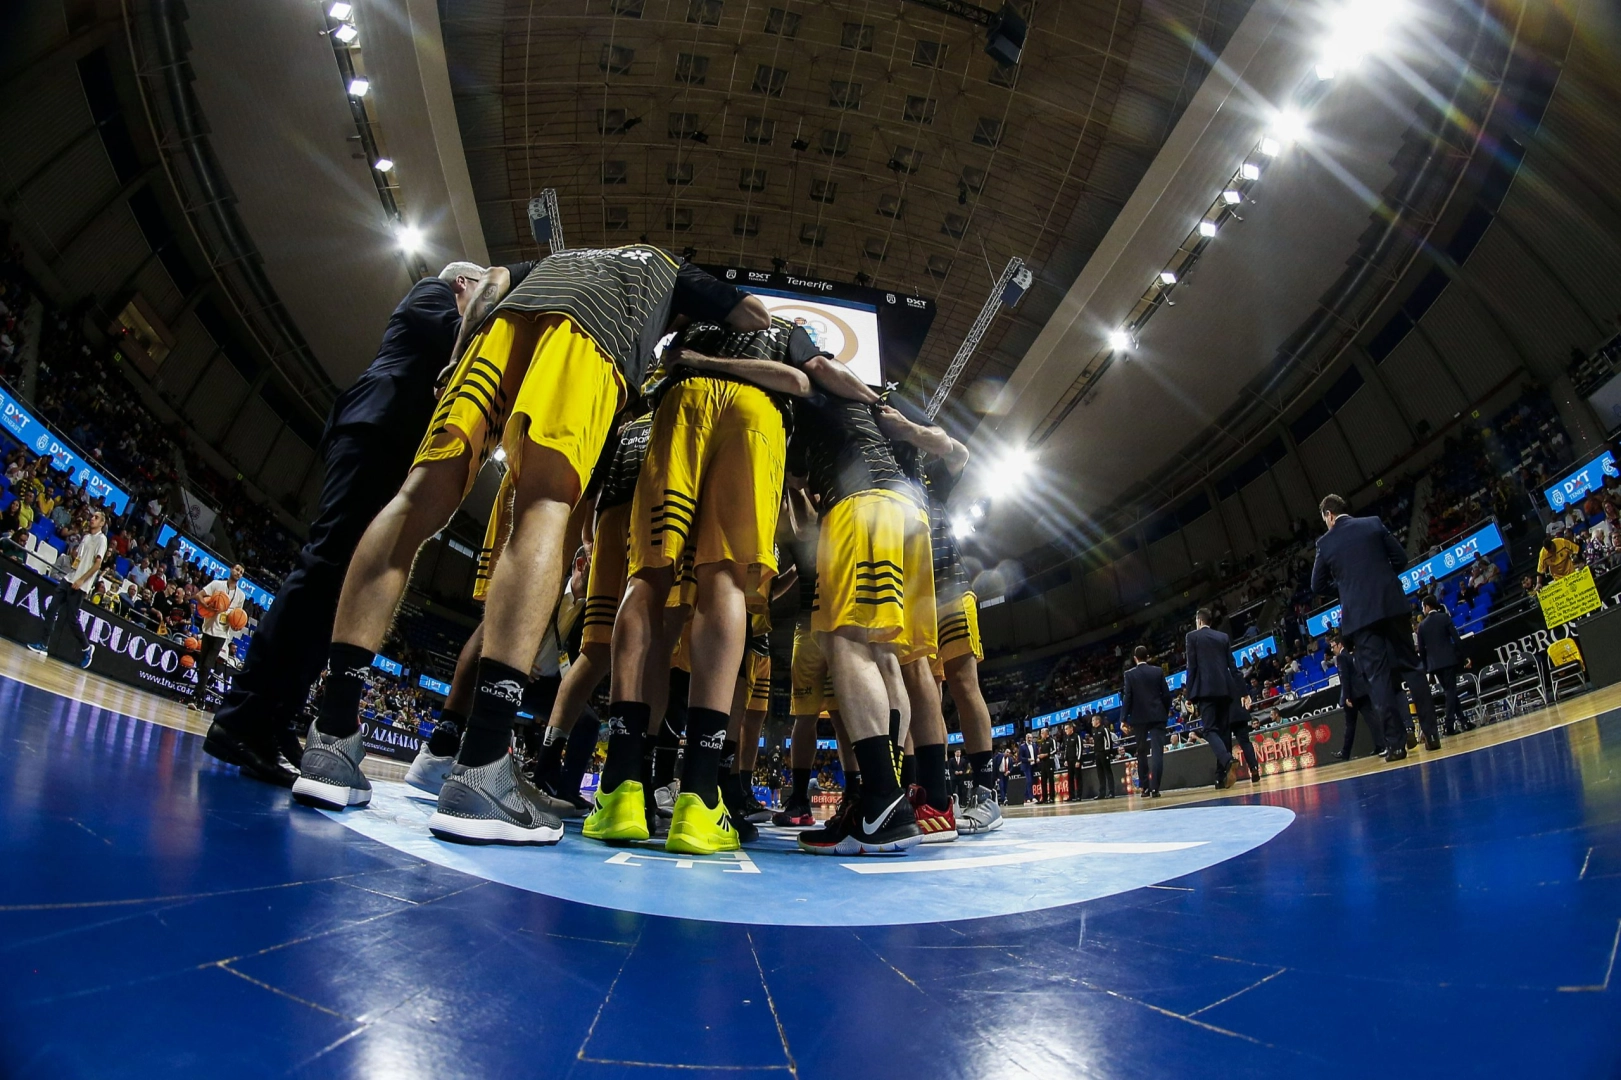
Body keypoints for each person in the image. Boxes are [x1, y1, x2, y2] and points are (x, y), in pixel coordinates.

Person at [293, 247, 763, 847]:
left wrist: (461, 351)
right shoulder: (665, 266)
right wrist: (678, 330)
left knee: (416, 498)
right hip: (589, 337)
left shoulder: (565, 253)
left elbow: (488, 283)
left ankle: (331, 740)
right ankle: (485, 764)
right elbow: (751, 314)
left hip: (503, 325)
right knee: (544, 505)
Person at [204, 262, 511, 785]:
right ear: (464, 284)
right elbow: (471, 338)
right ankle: (243, 719)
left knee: (338, 594)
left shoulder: (445, 308)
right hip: (374, 430)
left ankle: (276, 719)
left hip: (392, 446)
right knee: (323, 570)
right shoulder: (431, 296)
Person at [583, 314, 813, 854]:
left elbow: (656, 364)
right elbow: (803, 383)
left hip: (680, 406)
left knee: (649, 580)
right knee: (725, 584)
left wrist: (700, 362)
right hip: (757, 415)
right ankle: (699, 798)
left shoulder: (693, 326)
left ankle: (620, 789)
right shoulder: (787, 333)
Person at [1310, 494, 1428, 760]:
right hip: (1391, 604)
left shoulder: (1325, 543)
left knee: (1378, 679)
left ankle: (1396, 745)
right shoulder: (1373, 523)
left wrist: (1345, 588)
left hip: (1361, 616)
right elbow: (1400, 559)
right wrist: (1382, 576)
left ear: (1328, 515)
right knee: (1412, 666)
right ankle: (1430, 733)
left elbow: (1316, 586)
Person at [27, 510, 105, 668]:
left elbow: (97, 565)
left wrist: (81, 580)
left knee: (71, 619)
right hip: (69, 579)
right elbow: (79, 560)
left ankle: (87, 647)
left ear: (102, 523)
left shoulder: (102, 540)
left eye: (96, 518)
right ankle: (43, 644)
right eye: (92, 516)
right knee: (51, 608)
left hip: (80, 584)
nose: (92, 519)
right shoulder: (86, 537)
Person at [1185, 607, 1237, 788]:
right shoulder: (1223, 637)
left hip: (1206, 691)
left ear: (1199, 621)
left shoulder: (1192, 637)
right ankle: (1220, 778)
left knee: (1209, 730)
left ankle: (1227, 759)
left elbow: (1191, 668)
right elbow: (1232, 665)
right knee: (1223, 732)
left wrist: (1189, 695)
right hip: (1225, 690)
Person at [190, 565, 247, 712]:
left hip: (222, 634)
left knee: (207, 665)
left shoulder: (241, 596)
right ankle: (201, 698)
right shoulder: (217, 584)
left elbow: (237, 616)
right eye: (237, 570)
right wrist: (207, 606)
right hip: (208, 629)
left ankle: (195, 697)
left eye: (241, 572)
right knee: (202, 665)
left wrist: (236, 625)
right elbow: (198, 596)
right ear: (231, 570)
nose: (238, 573)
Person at [1417, 594, 1474, 735]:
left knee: (1450, 692)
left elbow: (1421, 650)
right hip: (1448, 660)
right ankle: (1449, 725)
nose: (1422, 610)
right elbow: (1456, 638)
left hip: (1434, 665)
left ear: (1427, 607)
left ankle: (1463, 721)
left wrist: (1427, 669)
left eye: (1423, 607)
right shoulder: (1444, 618)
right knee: (1450, 691)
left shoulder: (1422, 626)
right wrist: (1465, 656)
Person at [1121, 645, 1170, 798]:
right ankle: (1155, 788)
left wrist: (1123, 719)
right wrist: (1165, 710)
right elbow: (1167, 695)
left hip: (1139, 718)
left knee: (1141, 752)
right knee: (1157, 753)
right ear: (1147, 656)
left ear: (1135, 658)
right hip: (1157, 716)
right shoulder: (1157, 671)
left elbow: (1127, 697)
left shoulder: (1129, 675)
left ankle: (1145, 788)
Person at [1088, 714, 1117, 799]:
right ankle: (1102, 793)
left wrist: (1108, 753)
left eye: (1093, 720)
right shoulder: (1093, 730)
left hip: (1104, 754)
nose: (1092, 722)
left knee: (1108, 773)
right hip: (1097, 754)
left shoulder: (1104, 729)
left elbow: (1108, 741)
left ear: (1098, 721)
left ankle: (1111, 792)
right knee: (1100, 774)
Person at [1061, 721, 1085, 802]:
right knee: (1070, 779)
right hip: (1069, 761)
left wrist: (1078, 760)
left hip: (1076, 760)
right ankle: (1071, 796)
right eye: (1065, 729)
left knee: (1078, 778)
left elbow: (1080, 749)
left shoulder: (1076, 736)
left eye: (1067, 729)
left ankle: (1079, 796)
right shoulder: (1066, 738)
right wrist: (1065, 760)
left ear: (1071, 728)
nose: (1065, 730)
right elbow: (1066, 750)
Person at [1017, 733, 1037, 803]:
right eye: (1028, 738)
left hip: (1033, 765)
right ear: (1026, 738)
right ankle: (1032, 797)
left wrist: (1037, 758)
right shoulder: (1022, 746)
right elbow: (1020, 757)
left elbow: (1036, 754)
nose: (1029, 739)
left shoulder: (1034, 745)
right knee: (1029, 781)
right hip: (1026, 766)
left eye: (1031, 738)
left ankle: (1026, 797)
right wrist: (1027, 759)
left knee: (1029, 781)